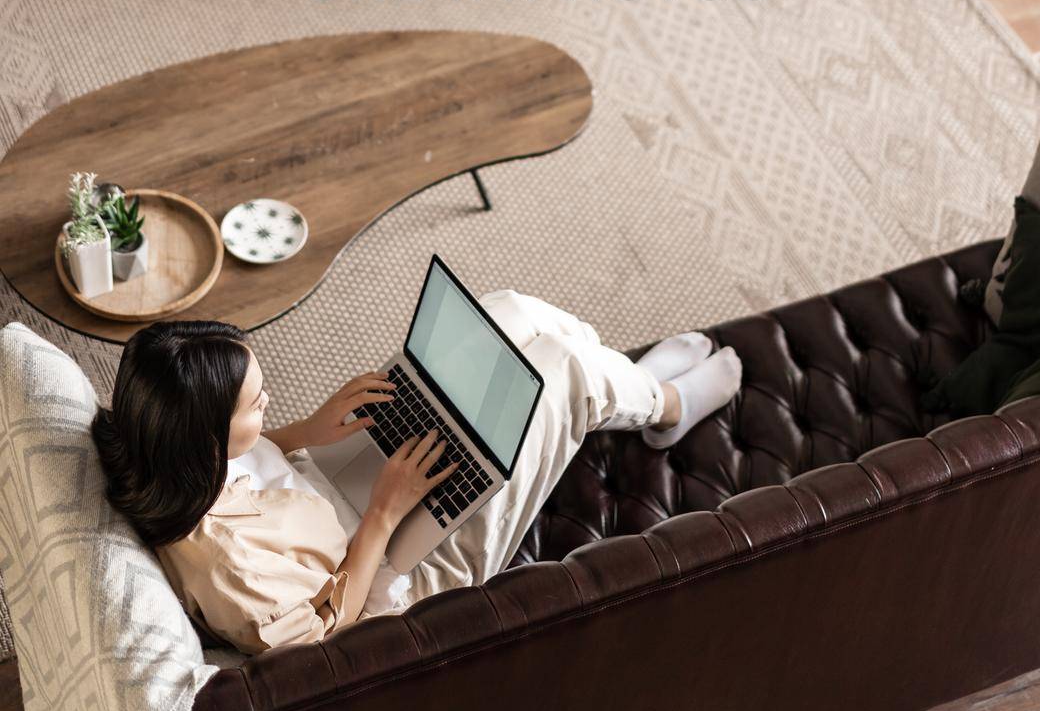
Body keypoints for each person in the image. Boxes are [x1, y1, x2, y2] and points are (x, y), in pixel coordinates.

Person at [91, 288, 743, 654]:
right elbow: (320, 634)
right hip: (392, 576)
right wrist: (384, 509)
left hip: (332, 481)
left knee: (506, 312)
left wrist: (307, 431)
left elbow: (247, 467)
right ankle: (664, 406)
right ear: (202, 436)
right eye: (253, 403)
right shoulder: (227, 567)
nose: (268, 401)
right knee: (554, 376)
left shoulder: (159, 447)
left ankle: (618, 389)